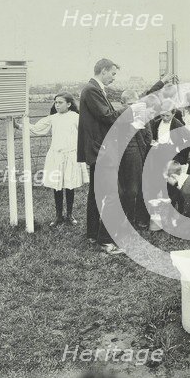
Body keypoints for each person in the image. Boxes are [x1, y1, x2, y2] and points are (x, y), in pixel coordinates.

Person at [77, 58, 144, 255]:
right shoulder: (92, 90)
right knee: (111, 194)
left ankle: (92, 233)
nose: (114, 78)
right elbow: (108, 117)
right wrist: (131, 110)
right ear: (104, 71)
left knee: (96, 194)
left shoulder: (93, 90)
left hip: (98, 150)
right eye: (113, 74)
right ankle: (106, 241)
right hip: (101, 151)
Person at [16, 92, 88, 227]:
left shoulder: (76, 117)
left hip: (71, 155)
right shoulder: (53, 118)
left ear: (69, 104)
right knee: (57, 186)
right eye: (56, 102)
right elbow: (37, 128)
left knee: (69, 185)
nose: (57, 105)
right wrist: (19, 126)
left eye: (60, 102)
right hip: (56, 156)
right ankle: (58, 215)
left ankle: (70, 215)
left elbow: (86, 133)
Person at [117, 89, 151, 230]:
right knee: (122, 188)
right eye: (129, 104)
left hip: (136, 154)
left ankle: (139, 218)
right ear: (122, 103)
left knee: (136, 188)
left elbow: (148, 136)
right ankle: (126, 216)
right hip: (120, 155)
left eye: (135, 103)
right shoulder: (118, 115)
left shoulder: (143, 115)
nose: (133, 107)